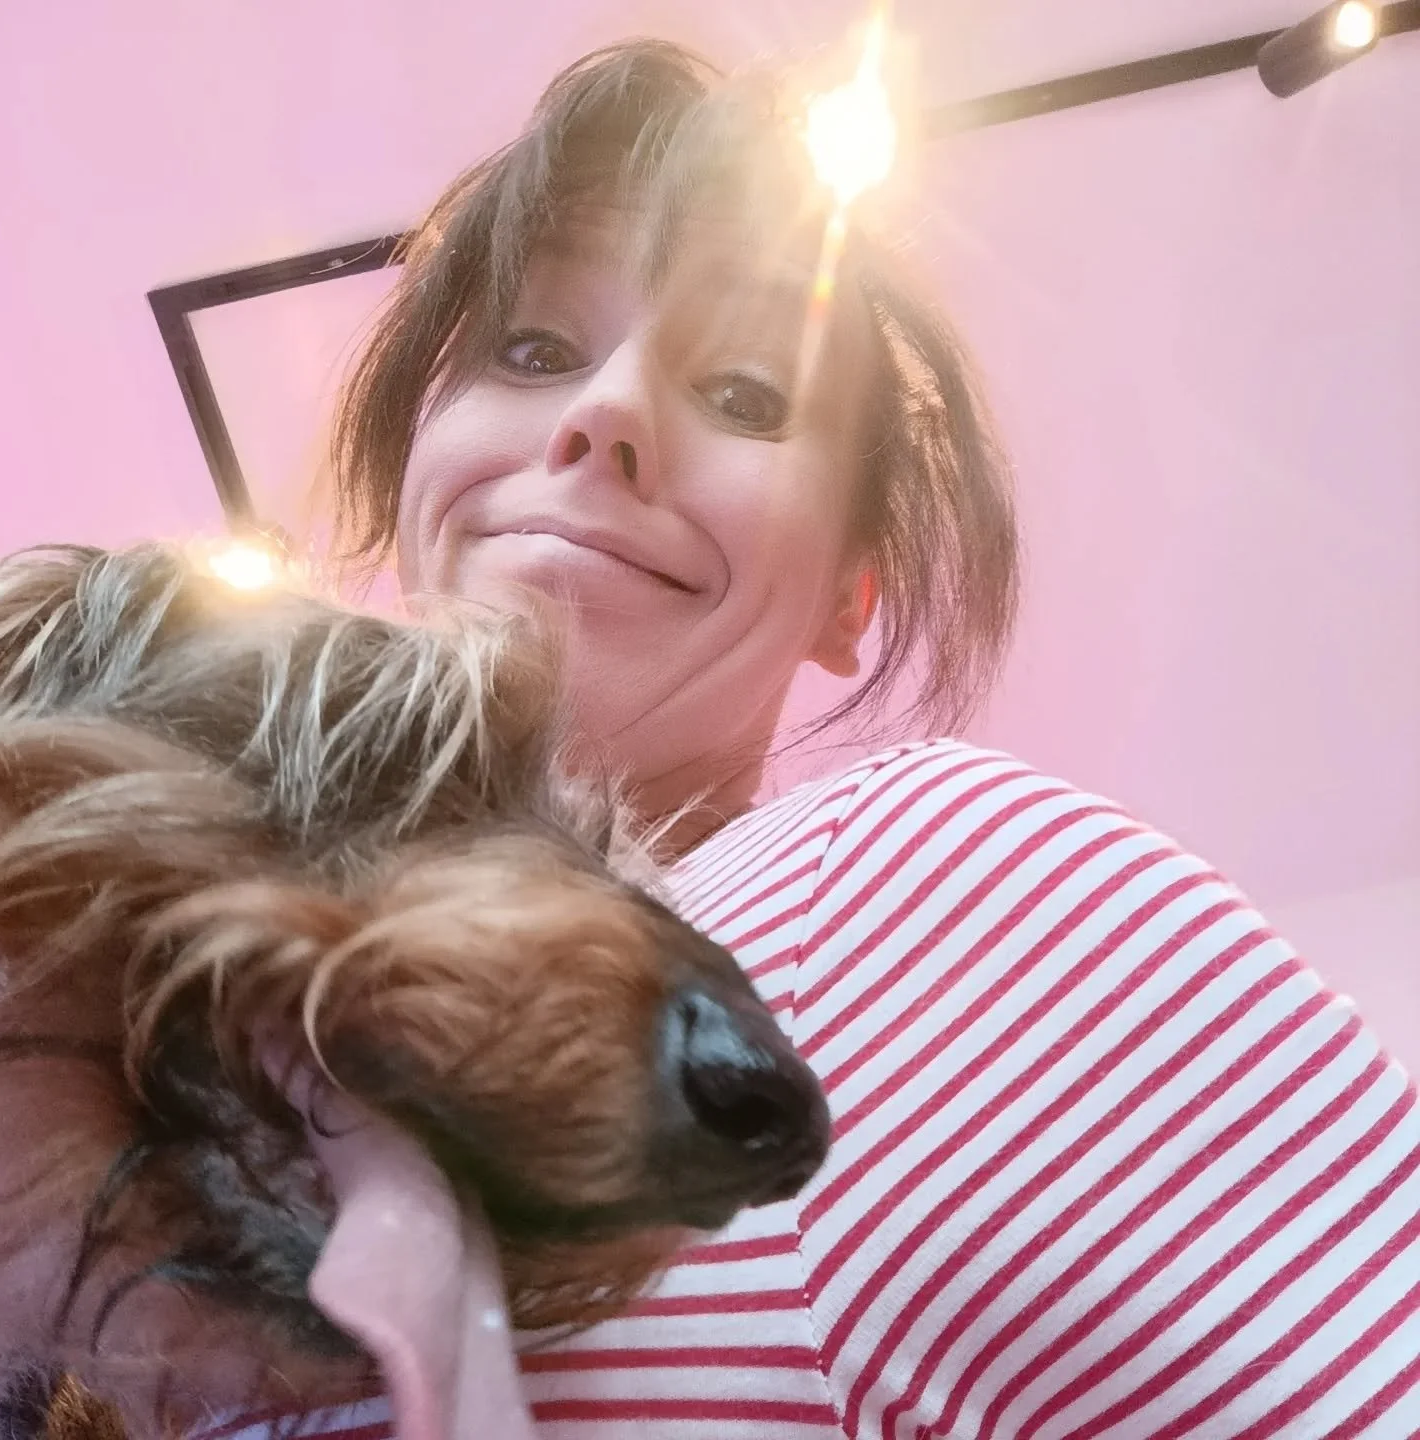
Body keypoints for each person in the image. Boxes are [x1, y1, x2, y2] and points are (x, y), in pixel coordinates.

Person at [244, 38, 1418, 1440]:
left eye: (745, 394)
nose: (606, 413)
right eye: (535, 350)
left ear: (849, 599)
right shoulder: (238, 1068)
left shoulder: (925, 894)